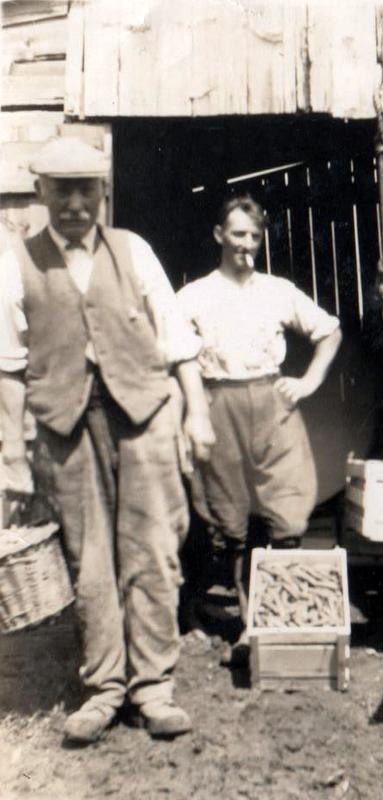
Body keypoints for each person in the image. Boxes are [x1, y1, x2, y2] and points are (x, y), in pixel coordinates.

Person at [0, 137, 215, 744]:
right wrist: (13, 457)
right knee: (87, 558)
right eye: (60, 189)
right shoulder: (15, 261)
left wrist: (196, 414)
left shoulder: (133, 251)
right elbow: (8, 366)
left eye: (85, 189)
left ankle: (153, 689)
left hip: (144, 413)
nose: (74, 202)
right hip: (64, 423)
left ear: (103, 192)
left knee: (153, 549)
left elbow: (177, 342)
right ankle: (104, 689)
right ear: (39, 192)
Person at [175, 194, 342, 641]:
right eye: (238, 234)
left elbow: (329, 331)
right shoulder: (195, 296)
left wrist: (307, 382)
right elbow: (174, 355)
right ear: (219, 236)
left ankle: (276, 616)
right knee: (227, 521)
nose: (247, 244)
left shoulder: (277, 291)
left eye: (254, 235)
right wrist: (191, 414)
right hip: (217, 405)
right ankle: (238, 615)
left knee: (287, 511)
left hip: (270, 402)